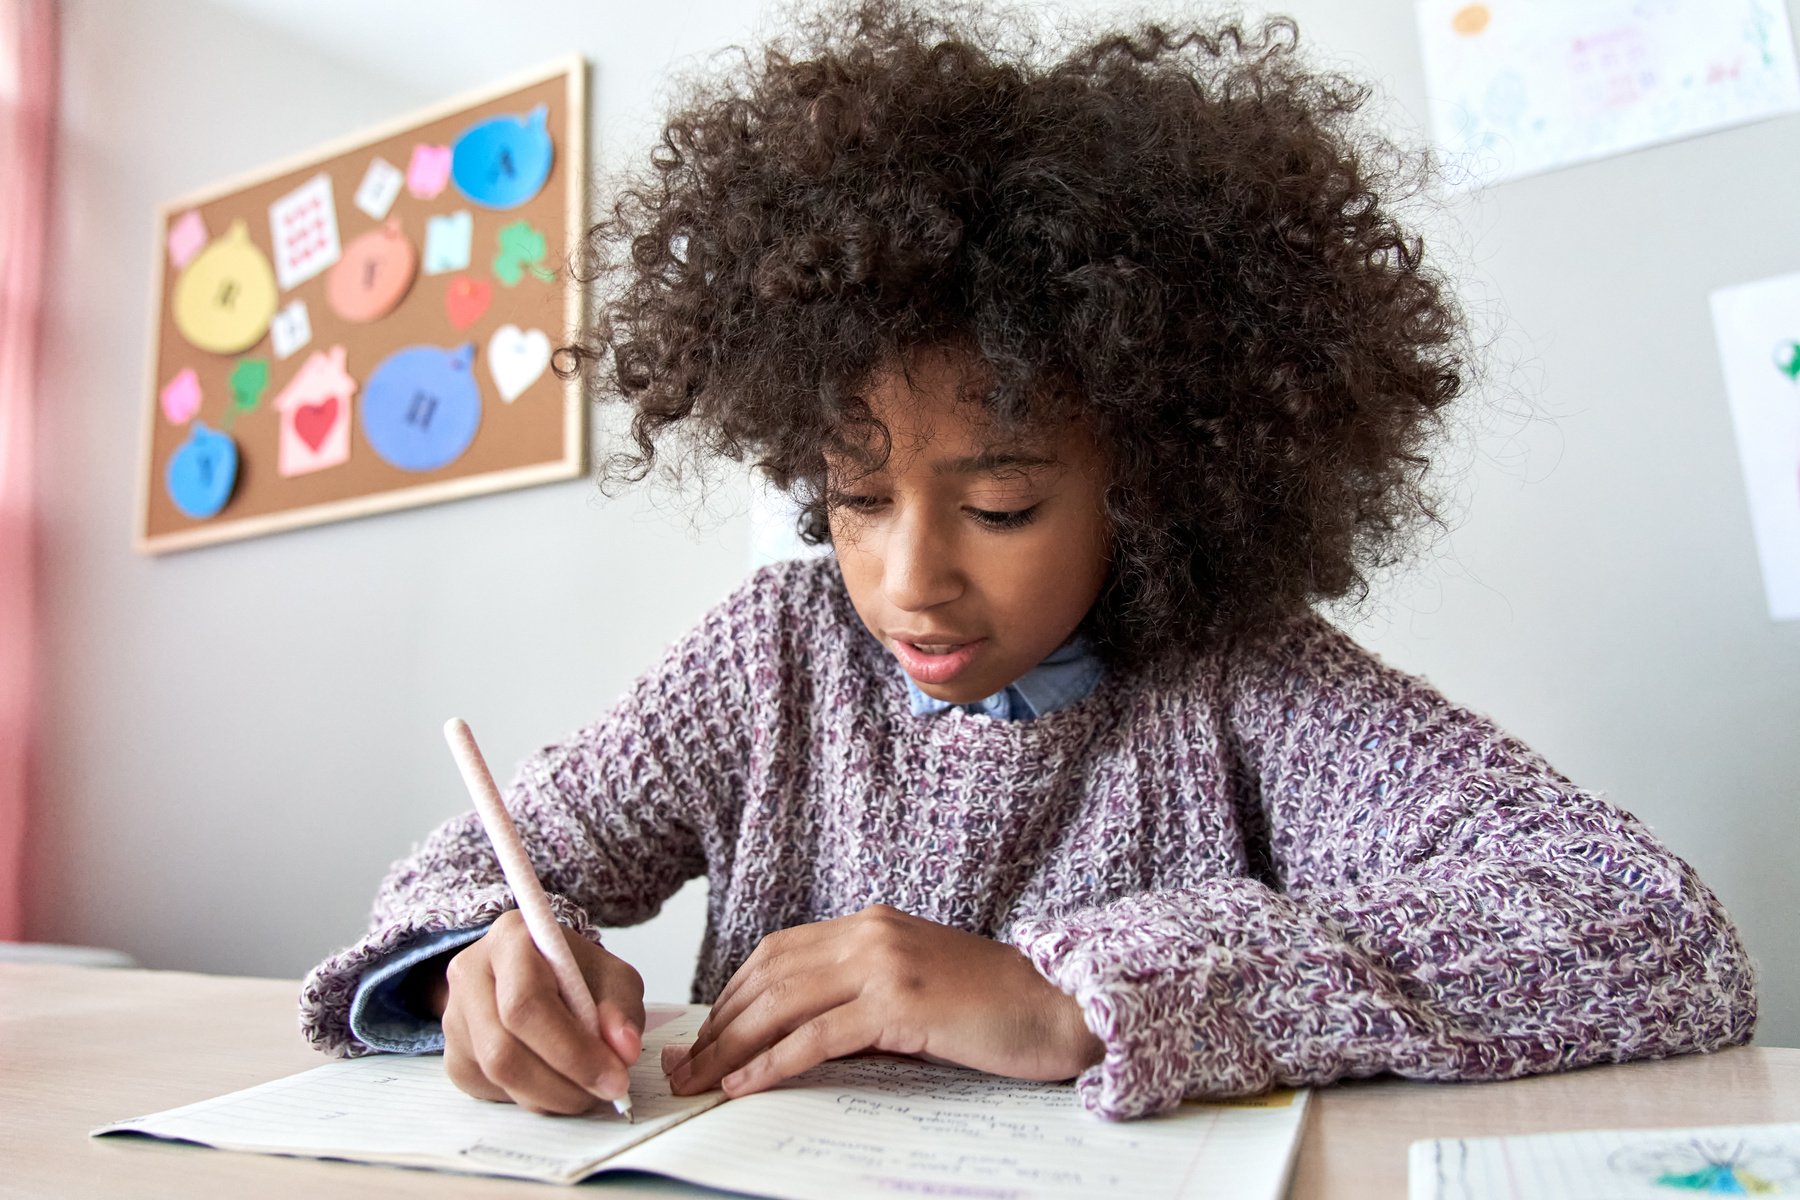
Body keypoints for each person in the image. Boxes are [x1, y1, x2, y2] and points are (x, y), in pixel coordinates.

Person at [299, 0, 1757, 1121]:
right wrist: (485, 959)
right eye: (855, 498)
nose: (909, 580)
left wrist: (1073, 992)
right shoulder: (774, 658)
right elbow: (469, 868)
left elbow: (1646, 931)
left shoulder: (1236, 684)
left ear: (1159, 472)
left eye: (998, 509)